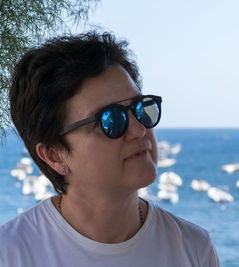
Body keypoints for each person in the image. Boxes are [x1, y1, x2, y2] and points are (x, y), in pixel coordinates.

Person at [0, 32, 221, 267]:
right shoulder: (10, 255)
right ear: (54, 154)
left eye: (140, 108)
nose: (138, 130)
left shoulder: (193, 248)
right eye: (110, 120)